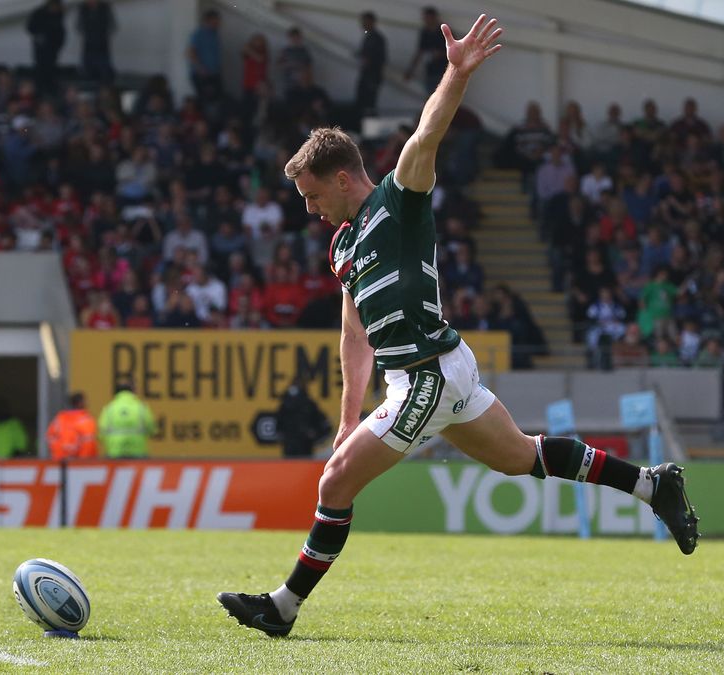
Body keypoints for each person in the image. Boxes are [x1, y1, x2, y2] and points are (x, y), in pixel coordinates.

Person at [217, 14, 699, 639]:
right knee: (523, 458)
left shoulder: (399, 202)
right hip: (424, 374)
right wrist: (346, 417)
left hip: (427, 375)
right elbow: (353, 336)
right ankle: (653, 485)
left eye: (312, 197)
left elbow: (425, 134)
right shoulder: (343, 246)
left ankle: (281, 607)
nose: (309, 211)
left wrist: (456, 71)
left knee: (334, 481)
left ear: (342, 178)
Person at [276, 375, 332, 458]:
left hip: (305, 445)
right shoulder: (285, 404)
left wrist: (314, 434)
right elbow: (279, 423)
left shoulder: (309, 404)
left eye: (299, 384)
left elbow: (322, 423)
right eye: (295, 384)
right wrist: (283, 435)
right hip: (290, 445)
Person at [98, 380, 157, 458]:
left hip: (115, 453)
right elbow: (151, 429)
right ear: (133, 392)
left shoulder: (109, 409)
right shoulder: (141, 408)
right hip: (137, 452)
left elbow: (102, 432)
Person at [404, 7, 448, 94]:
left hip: (444, 70)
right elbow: (420, 52)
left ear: (434, 18)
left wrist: (441, 53)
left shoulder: (444, 31)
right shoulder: (425, 32)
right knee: (430, 95)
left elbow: (455, 49)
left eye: (428, 18)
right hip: (430, 70)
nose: (426, 21)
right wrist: (410, 70)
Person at [27, 0, 65, 93]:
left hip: (52, 52)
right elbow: (30, 27)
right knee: (41, 74)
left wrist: (58, 45)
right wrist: (41, 34)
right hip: (41, 51)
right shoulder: (39, 13)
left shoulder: (58, 15)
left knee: (51, 74)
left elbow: (60, 32)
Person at [46, 392, 98, 460]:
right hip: (81, 464)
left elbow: (51, 437)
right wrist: (83, 461)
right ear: (80, 403)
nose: (87, 403)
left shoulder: (60, 418)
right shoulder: (86, 420)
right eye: (85, 401)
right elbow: (88, 443)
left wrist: (59, 455)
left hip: (61, 462)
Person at [355, 11, 387, 117]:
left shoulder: (376, 38)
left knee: (369, 102)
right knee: (363, 100)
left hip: (372, 74)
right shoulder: (368, 36)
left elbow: (380, 58)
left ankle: (368, 121)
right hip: (368, 74)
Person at [76, 0, 116, 83]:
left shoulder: (105, 8)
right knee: (88, 63)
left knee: (103, 64)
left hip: (102, 40)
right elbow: (79, 25)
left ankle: (105, 80)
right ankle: (89, 79)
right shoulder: (83, 8)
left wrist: (105, 32)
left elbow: (112, 24)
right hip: (89, 40)